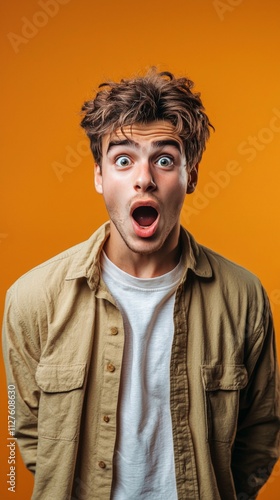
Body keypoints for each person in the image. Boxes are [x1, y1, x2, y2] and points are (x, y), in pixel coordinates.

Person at [2, 68, 280, 500]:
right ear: (99, 176)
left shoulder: (242, 297)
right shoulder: (31, 299)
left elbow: (259, 435)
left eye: (165, 159)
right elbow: (27, 429)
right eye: (123, 159)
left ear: (191, 177)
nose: (144, 178)